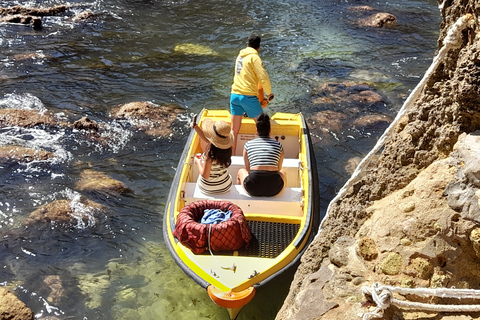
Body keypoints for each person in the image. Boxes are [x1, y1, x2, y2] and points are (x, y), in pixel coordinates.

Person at [230, 34, 274, 155]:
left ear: (247, 44)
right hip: (248, 97)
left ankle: (231, 158)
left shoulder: (240, 56)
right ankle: (260, 156)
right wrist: (269, 93)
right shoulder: (255, 58)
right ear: (258, 47)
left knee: (233, 131)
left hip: (234, 95)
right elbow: (263, 77)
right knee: (263, 128)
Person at [237, 113, 286, 197]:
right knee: (283, 172)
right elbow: (278, 168)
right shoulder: (278, 145)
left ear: (256, 129)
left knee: (241, 171)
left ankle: (239, 198)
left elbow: (248, 169)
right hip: (274, 189)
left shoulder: (248, 145)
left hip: (253, 187)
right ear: (270, 130)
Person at [191, 118, 233, 194]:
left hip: (207, 188)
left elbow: (205, 176)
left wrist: (198, 162)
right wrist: (196, 128)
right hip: (225, 187)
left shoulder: (209, 155)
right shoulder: (227, 149)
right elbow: (206, 139)